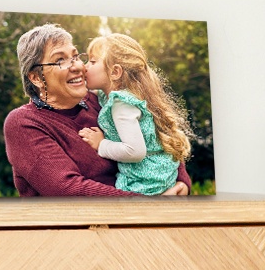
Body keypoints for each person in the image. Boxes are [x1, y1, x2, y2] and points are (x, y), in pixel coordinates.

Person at [2, 23, 190, 196]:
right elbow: (68, 189)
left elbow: (154, 136)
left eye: (75, 56)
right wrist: (149, 205)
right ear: (35, 77)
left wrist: (180, 183)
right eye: (60, 60)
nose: (77, 66)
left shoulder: (100, 101)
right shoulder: (24, 123)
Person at [77, 33, 194, 195]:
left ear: (115, 72)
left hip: (145, 181)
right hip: (160, 173)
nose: (85, 66)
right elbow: (96, 92)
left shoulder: (122, 105)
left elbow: (135, 151)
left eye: (92, 61)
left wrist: (101, 144)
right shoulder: (121, 94)